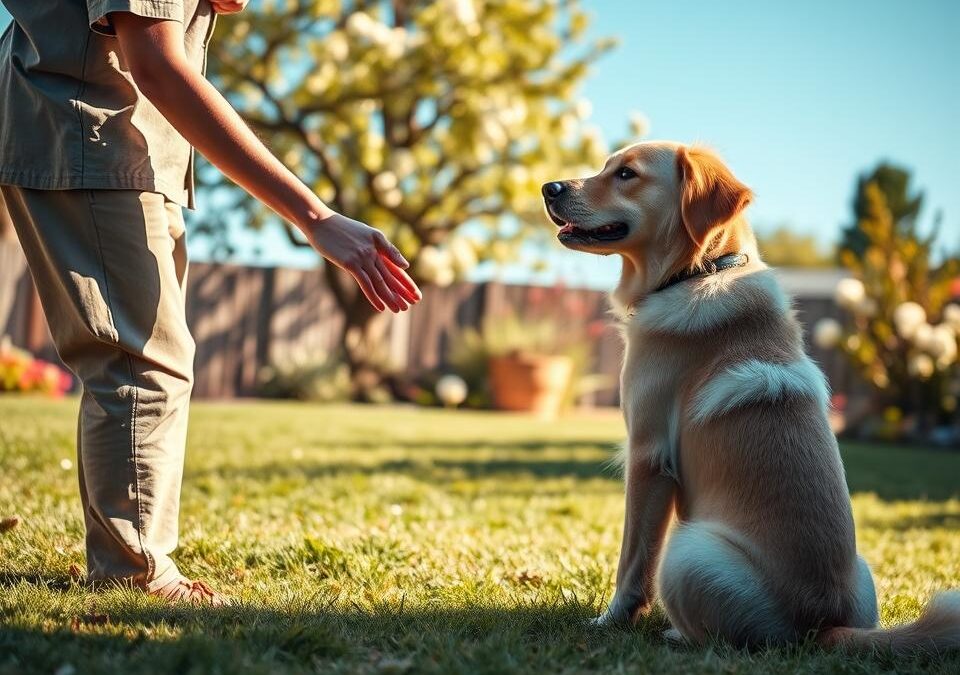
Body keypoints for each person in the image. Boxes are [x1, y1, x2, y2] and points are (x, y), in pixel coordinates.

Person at [0, 0, 421, 605]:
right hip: (93, 132)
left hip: (117, 142)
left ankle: (122, 554)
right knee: (141, 366)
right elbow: (157, 63)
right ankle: (135, 573)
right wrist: (314, 216)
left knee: (139, 359)